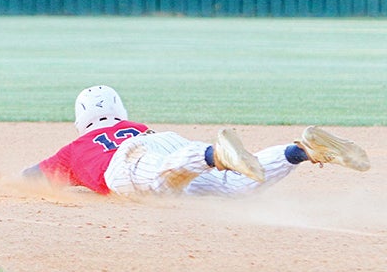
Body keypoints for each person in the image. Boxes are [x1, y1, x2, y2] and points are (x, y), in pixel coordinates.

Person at [22, 85, 370, 197]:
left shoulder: (73, 150)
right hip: (166, 143)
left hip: (127, 163)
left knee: (158, 180)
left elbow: (31, 177)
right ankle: (300, 151)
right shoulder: (138, 126)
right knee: (235, 187)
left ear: (79, 120)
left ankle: (214, 153)